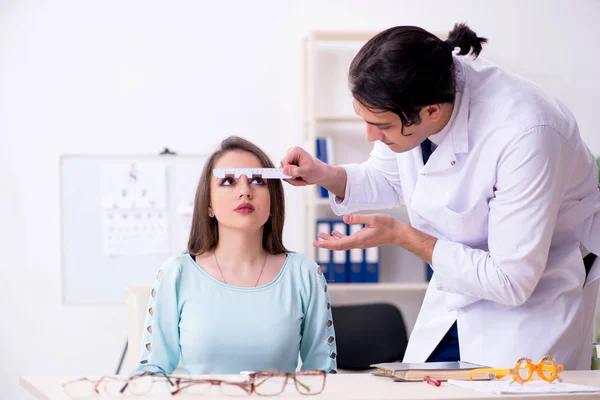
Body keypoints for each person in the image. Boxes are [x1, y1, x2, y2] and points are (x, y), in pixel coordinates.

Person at [281, 23, 600, 369]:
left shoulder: (527, 132)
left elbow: (512, 280)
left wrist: (403, 237)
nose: (371, 136)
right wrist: (325, 174)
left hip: (536, 299)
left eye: (383, 126)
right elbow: (389, 178)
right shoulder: (414, 95)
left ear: (432, 111)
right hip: (458, 287)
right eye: (365, 119)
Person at [137, 136, 337, 375]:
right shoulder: (176, 273)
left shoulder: (304, 274)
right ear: (208, 204)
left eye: (258, 181)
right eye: (229, 181)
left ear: (272, 200)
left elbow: (322, 374)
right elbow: (151, 373)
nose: (245, 191)